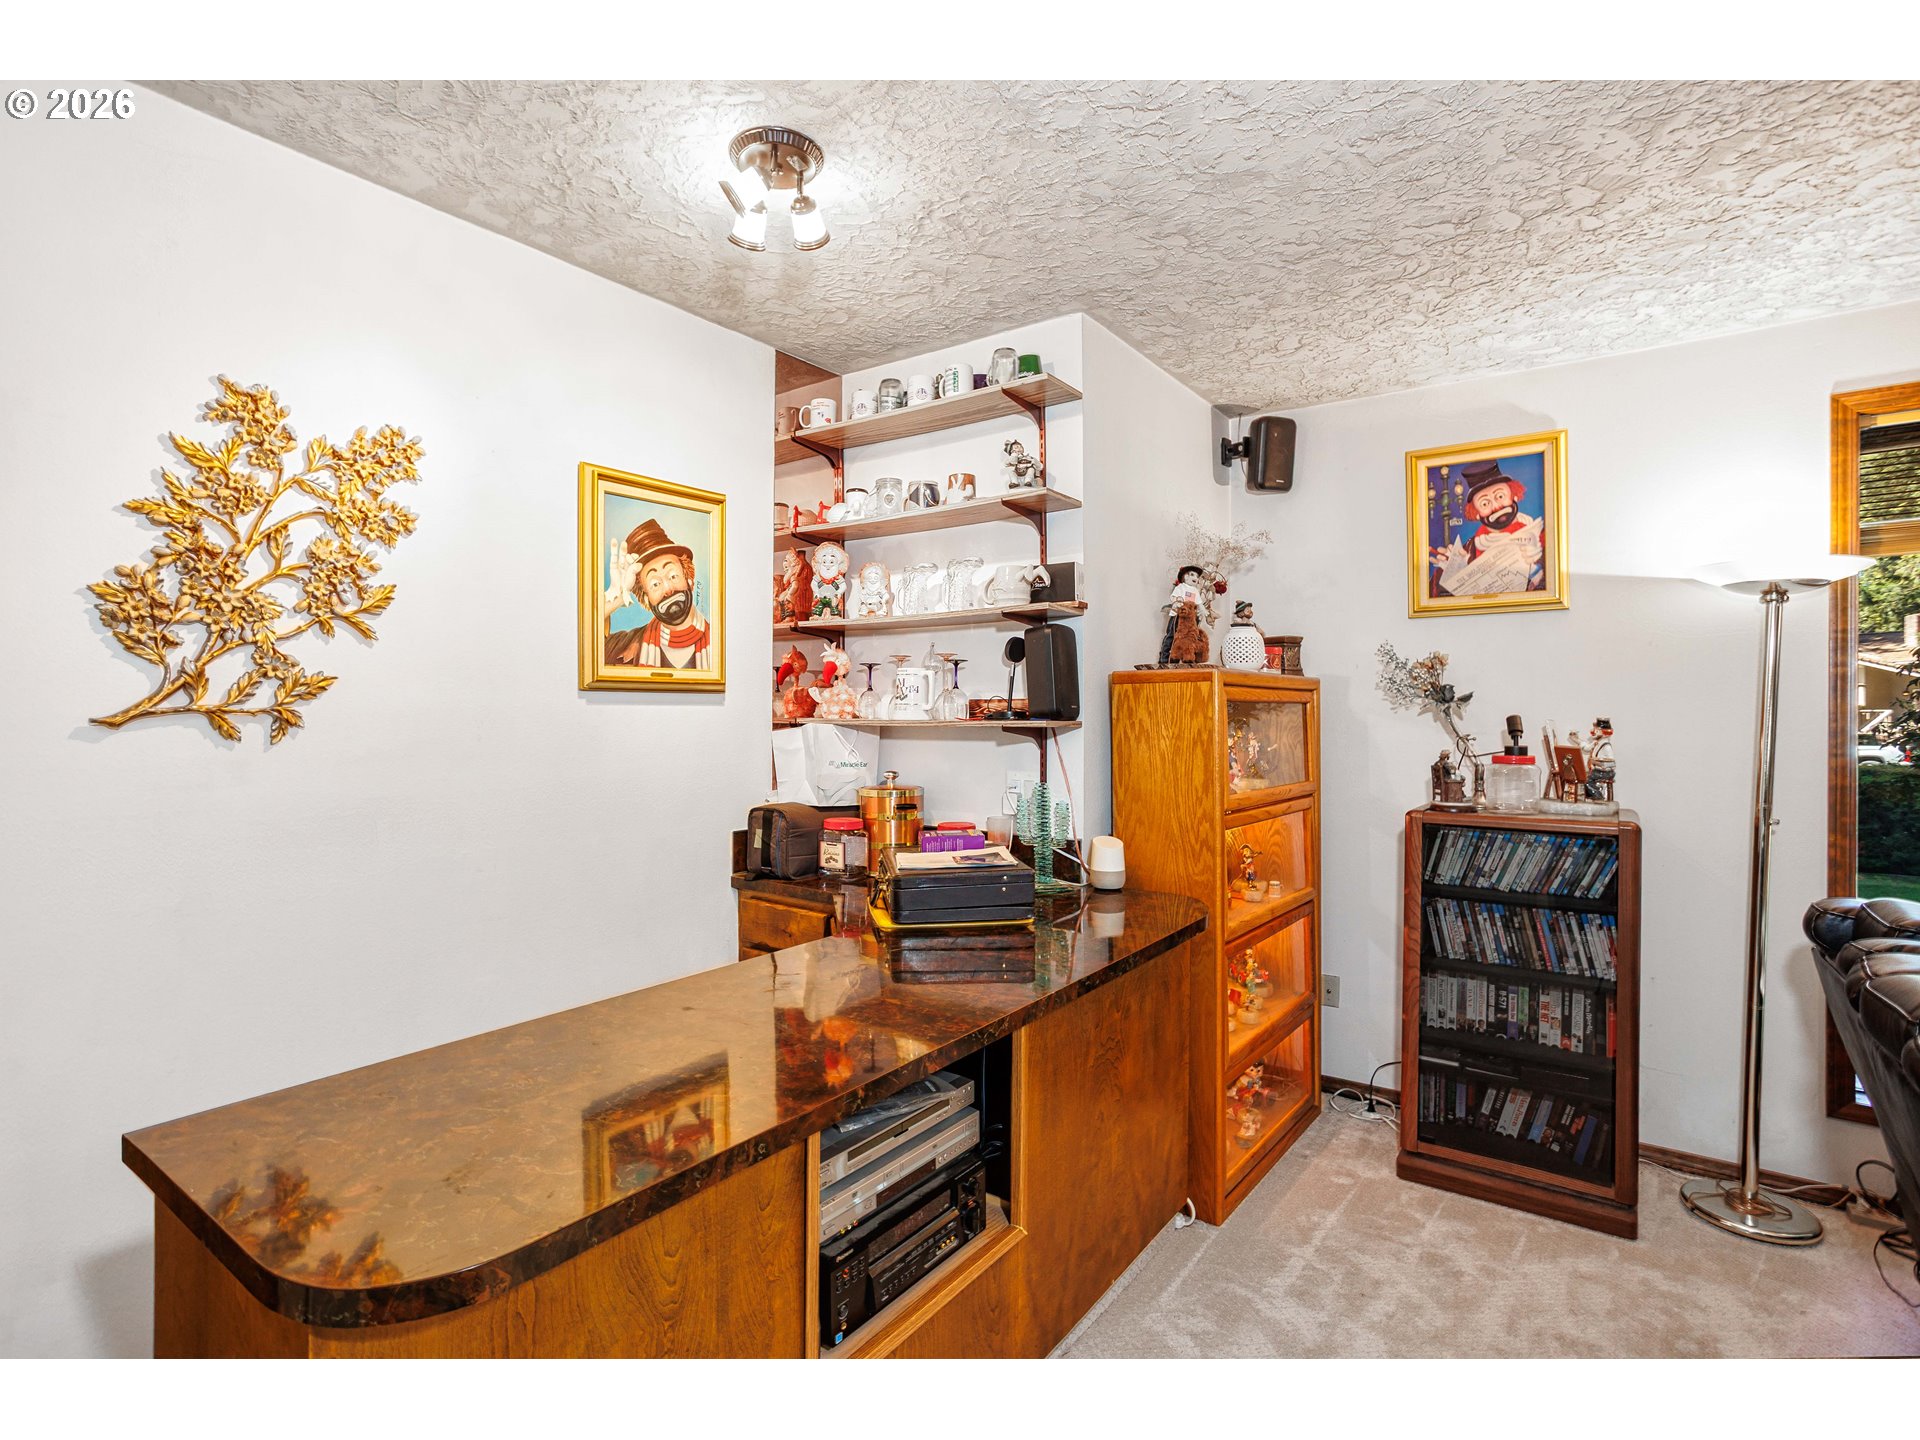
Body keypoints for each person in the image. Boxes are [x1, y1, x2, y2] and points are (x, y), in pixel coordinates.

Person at [603, 518, 712, 669]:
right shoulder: (623, 646)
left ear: (689, 580)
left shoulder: (721, 642)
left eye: (673, 576)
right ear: (646, 599)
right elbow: (587, 651)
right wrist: (614, 600)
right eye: (655, 584)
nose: (668, 589)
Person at [1431, 460, 1545, 594]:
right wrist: (1451, 575)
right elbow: (1436, 596)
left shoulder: (1542, 537)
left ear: (1514, 495)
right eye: (1485, 503)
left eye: (1500, 496)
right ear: (1476, 513)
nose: (1496, 507)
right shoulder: (1469, 550)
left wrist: (1540, 564)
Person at [1158, 565, 1207, 664]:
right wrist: (1177, 601)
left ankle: (1186, 658)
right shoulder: (1181, 587)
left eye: (1197, 576)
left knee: (1189, 637)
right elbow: (1173, 597)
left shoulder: (1195, 591)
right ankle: (1165, 659)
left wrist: (1203, 610)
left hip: (1190, 618)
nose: (1195, 578)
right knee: (1172, 635)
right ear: (1186, 576)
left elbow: (1199, 603)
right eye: (1192, 575)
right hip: (1178, 616)